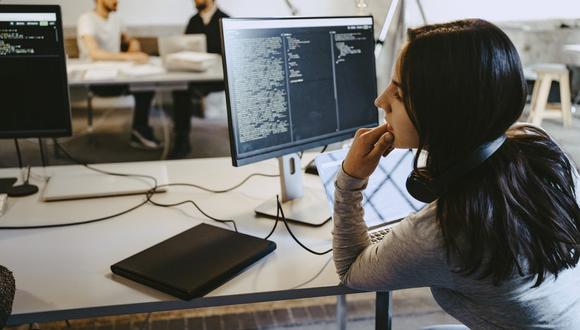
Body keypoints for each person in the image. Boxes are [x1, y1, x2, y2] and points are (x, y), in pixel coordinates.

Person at [333, 19, 580, 328]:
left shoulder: (443, 231)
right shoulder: (541, 150)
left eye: (399, 94)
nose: (380, 101)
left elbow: (351, 271)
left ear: (442, 109)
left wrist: (350, 179)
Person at [77, 0, 162, 150]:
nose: (117, 1)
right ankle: (140, 130)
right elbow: (94, 53)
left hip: (118, 75)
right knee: (144, 87)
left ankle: (139, 131)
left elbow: (127, 38)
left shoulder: (116, 19)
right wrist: (130, 57)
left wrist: (133, 42)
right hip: (97, 80)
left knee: (146, 85)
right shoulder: (87, 19)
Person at [170, 0, 229, 158]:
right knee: (180, 88)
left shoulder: (226, 20)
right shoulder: (193, 21)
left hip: (219, 78)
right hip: (196, 75)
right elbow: (185, 46)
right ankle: (181, 139)